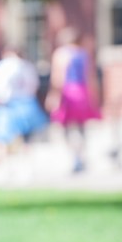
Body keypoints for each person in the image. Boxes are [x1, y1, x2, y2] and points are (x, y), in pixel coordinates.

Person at [45, 27, 102, 173]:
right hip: (83, 93)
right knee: (82, 127)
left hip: (67, 93)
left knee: (65, 127)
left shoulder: (61, 54)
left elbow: (58, 77)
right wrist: (94, 97)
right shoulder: (83, 54)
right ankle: (81, 156)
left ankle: (74, 158)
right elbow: (91, 78)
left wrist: (54, 95)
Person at [0, 45, 48, 167]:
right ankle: (25, 167)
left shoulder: (3, 66)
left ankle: (1, 167)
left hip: (6, 105)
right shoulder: (28, 66)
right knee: (26, 139)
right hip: (27, 104)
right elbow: (34, 87)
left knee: (0, 140)